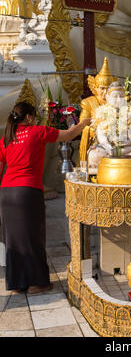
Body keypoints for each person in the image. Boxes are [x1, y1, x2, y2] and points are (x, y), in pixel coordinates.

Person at [0, 101, 91, 294]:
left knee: (14, 240)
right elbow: (69, 134)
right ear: (29, 117)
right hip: (27, 192)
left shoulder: (6, 138)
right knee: (33, 236)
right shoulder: (37, 131)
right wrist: (84, 123)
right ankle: (37, 283)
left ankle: (17, 284)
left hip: (6, 192)